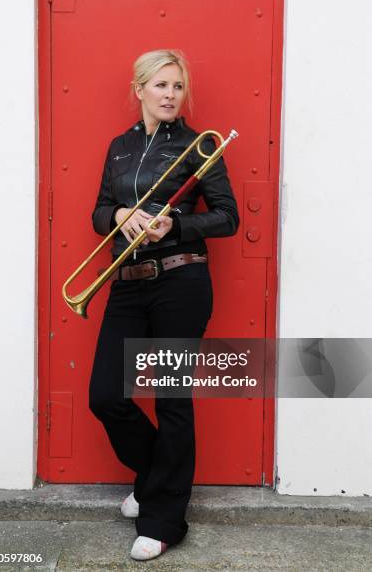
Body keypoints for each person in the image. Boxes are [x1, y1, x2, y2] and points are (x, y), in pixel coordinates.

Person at [88, 49, 239, 561]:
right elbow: (98, 212)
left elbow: (227, 217)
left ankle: (164, 520)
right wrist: (121, 214)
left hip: (181, 282)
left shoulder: (200, 147)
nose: (171, 95)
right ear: (140, 90)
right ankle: (157, 480)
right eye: (161, 85)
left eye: (178, 86)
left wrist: (177, 224)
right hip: (127, 282)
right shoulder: (119, 148)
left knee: (171, 401)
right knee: (106, 395)